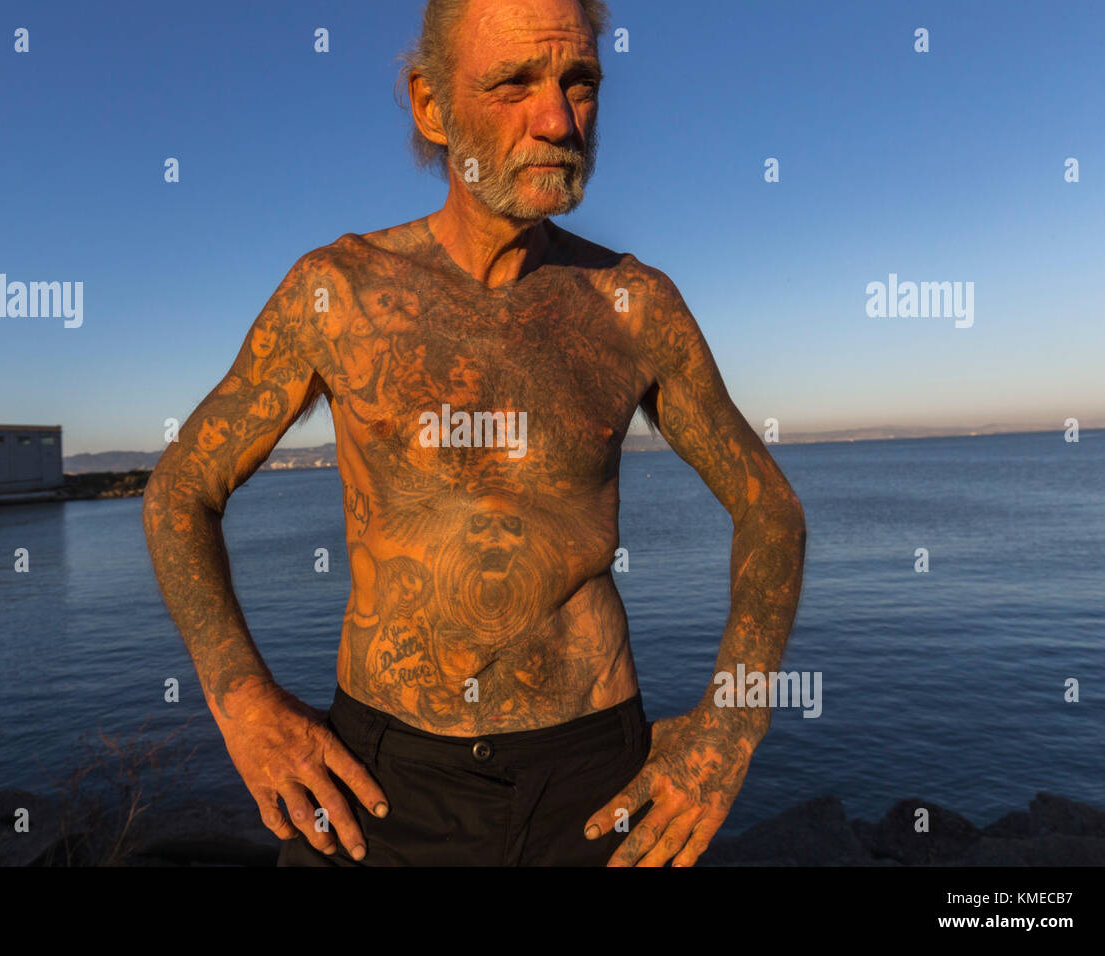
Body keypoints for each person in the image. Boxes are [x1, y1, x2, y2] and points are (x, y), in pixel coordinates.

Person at [142, 0, 806, 867]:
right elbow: (178, 492)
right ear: (430, 105)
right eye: (513, 84)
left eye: (581, 84)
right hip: (376, 786)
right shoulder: (337, 294)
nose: (559, 119)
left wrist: (732, 725)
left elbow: (772, 514)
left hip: (593, 780)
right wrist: (242, 704)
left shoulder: (634, 306)